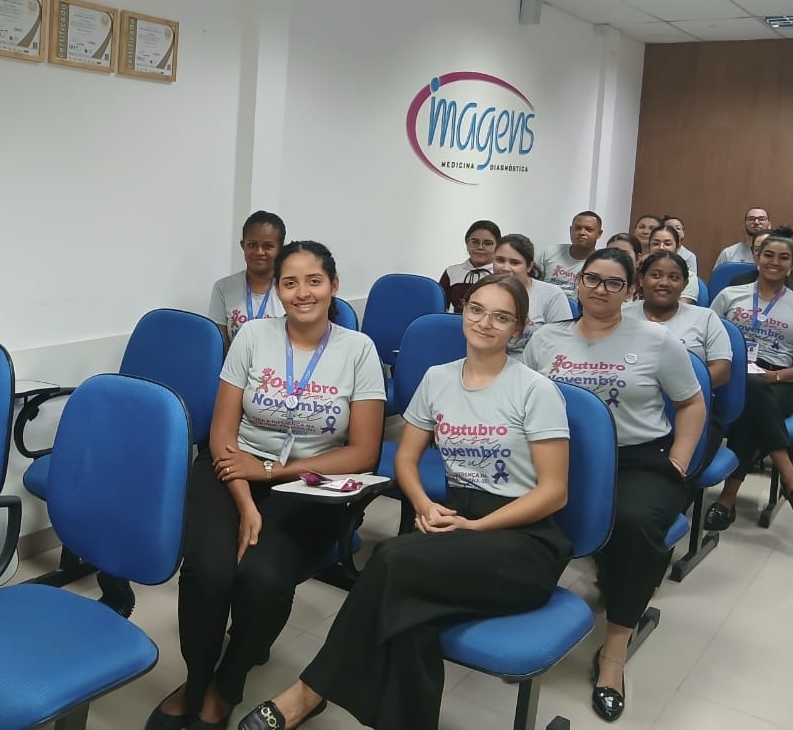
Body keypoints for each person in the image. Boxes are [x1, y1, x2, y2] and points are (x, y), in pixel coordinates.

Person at [235, 273, 571, 730]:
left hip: (523, 539)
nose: (485, 322)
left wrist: (475, 528)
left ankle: (308, 693)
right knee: (410, 619)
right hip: (456, 521)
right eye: (476, 309)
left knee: (391, 559)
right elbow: (407, 460)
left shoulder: (535, 390)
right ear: (463, 312)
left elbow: (554, 492)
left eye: (501, 317)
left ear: (518, 328)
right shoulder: (438, 379)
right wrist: (424, 505)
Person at [148, 241, 385, 730]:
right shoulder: (254, 336)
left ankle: (230, 679)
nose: (302, 293)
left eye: (314, 281)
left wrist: (272, 473)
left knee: (263, 576)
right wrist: (246, 502)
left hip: (310, 483)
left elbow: (363, 452)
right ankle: (196, 678)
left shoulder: (358, 349)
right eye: (290, 282)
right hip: (229, 469)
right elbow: (221, 432)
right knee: (208, 570)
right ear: (277, 289)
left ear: (334, 286)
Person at [523, 248, 704, 723]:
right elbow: (527, 401)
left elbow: (691, 403)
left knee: (634, 524)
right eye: (592, 279)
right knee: (522, 509)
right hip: (567, 456)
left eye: (614, 283)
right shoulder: (546, 338)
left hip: (638, 459)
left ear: (630, 291)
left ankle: (614, 652)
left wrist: (680, 461)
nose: (600, 289)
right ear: (577, 282)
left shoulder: (656, 340)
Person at [705, 234, 793, 530]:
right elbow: (705, 338)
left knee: (752, 401)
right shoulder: (730, 295)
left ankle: (727, 500)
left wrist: (776, 376)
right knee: (750, 394)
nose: (775, 262)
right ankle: (788, 471)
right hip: (730, 376)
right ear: (757, 257)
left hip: (779, 381)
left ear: (792, 265)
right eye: (769, 255)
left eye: (784, 257)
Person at [625, 251, 732, 468]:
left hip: (691, 407)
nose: (664, 283)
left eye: (673, 277)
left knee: (672, 471)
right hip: (631, 409)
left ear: (684, 284)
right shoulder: (621, 315)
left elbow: (721, 370)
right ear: (641, 279)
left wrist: (672, 387)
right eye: (655, 275)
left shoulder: (705, 318)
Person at [208, 211, 287, 347]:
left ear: (280, 249)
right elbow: (220, 345)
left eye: (268, 246)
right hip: (235, 360)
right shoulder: (224, 288)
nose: (259, 252)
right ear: (242, 245)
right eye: (252, 245)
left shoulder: (290, 289)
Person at [490, 233, 572, 358]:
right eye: (500, 260)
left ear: (529, 266)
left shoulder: (552, 295)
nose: (505, 268)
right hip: (492, 360)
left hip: (537, 364)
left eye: (515, 263)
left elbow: (561, 343)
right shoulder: (484, 291)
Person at [536, 211, 603, 299]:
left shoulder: (601, 263)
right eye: (577, 228)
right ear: (571, 230)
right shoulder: (550, 252)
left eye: (588, 229)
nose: (582, 232)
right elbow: (533, 282)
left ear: (599, 234)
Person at [438, 219, 500, 312]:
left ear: (497, 246)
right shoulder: (451, 272)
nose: (480, 247)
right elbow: (440, 310)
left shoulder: (501, 275)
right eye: (475, 242)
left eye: (487, 243)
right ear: (467, 243)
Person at [644, 225, 699, 303]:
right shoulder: (640, 272)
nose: (661, 247)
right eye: (656, 244)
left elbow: (682, 305)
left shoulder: (689, 276)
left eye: (667, 244)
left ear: (677, 247)